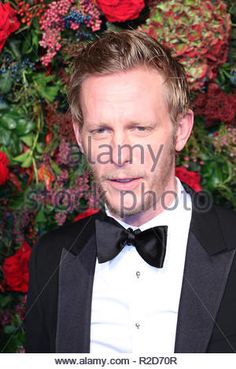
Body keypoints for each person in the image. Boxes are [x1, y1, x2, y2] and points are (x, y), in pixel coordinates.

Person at [25, 30, 236, 353]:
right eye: (101, 130)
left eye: (140, 129)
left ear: (180, 130)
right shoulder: (50, 257)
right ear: (81, 138)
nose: (119, 154)